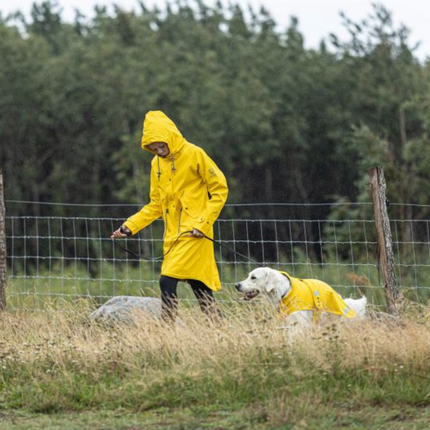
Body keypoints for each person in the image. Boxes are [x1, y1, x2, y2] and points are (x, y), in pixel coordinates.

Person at [111, 110, 228, 323]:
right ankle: (219, 328)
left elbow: (220, 189)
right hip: (172, 234)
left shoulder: (195, 153)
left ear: (170, 138)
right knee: (198, 284)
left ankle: (166, 332)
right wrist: (130, 226)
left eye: (161, 146)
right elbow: (155, 204)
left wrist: (202, 223)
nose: (159, 151)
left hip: (196, 232)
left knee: (167, 280)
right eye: (153, 149)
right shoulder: (156, 164)